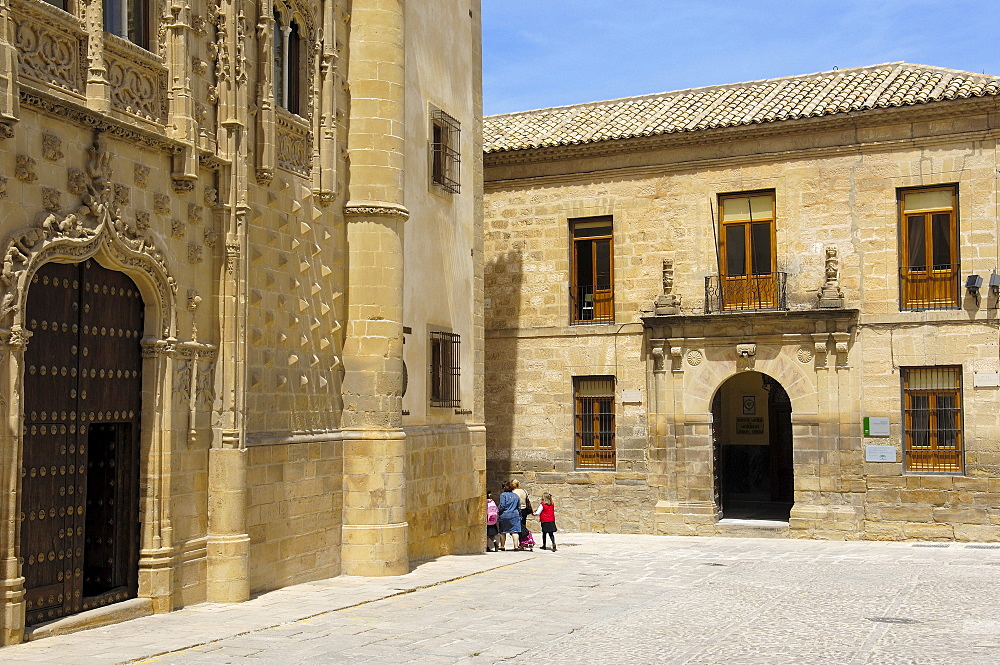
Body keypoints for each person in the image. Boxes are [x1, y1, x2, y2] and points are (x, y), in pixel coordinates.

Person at [497, 482, 522, 550]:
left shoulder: (503, 495)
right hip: (515, 514)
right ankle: (516, 546)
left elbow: (502, 505)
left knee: (503, 531)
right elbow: (519, 507)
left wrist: (498, 511)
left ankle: (502, 546)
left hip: (505, 514)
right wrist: (520, 515)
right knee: (515, 531)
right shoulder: (516, 496)